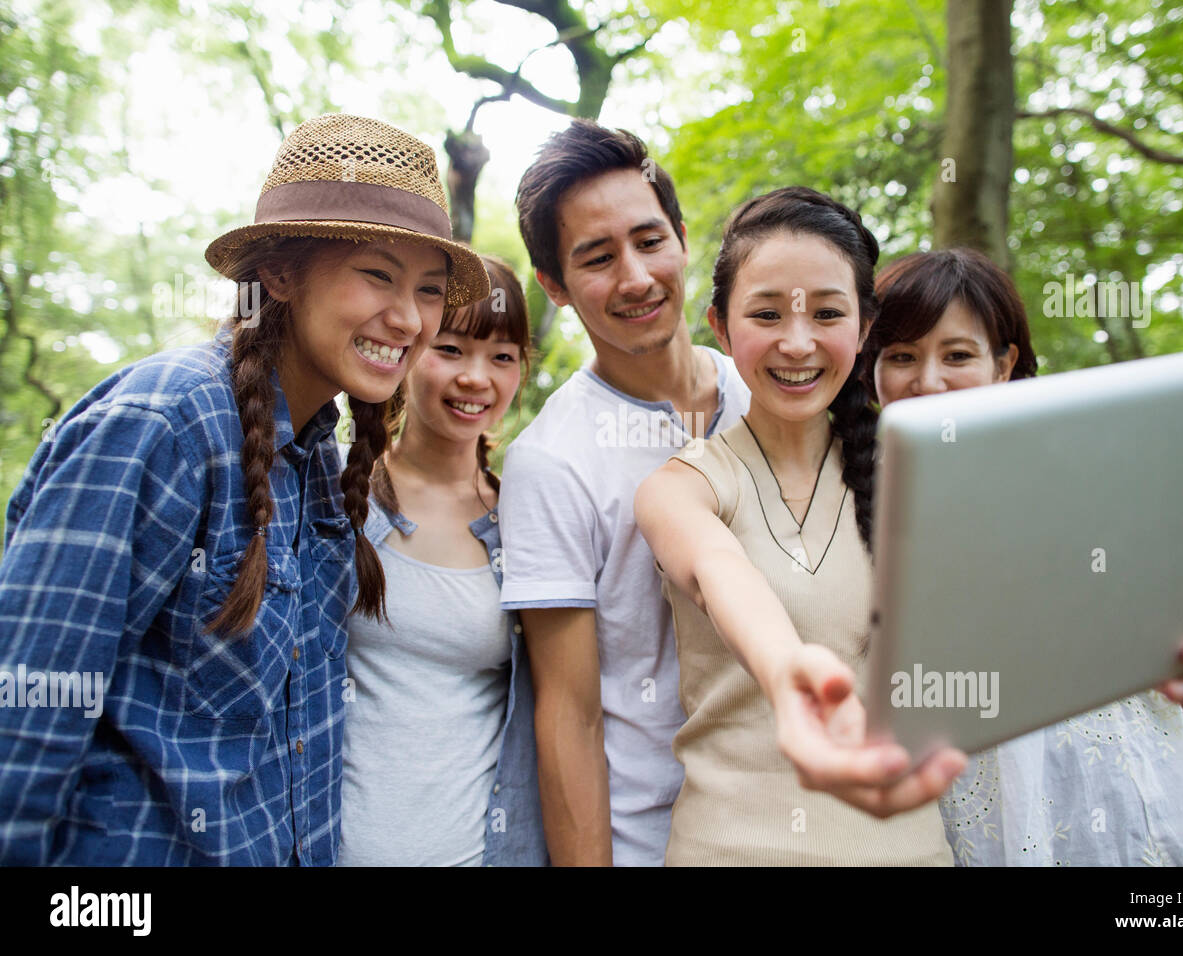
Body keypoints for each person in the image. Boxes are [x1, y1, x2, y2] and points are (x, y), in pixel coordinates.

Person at [0, 113, 489, 865]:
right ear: (281, 275)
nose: (409, 319)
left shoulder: (319, 456)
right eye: (376, 274)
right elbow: (26, 715)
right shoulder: (164, 424)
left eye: (428, 290)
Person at [864, 247, 1183, 865]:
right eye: (901, 357)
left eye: (958, 355)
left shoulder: (1089, 464)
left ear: (1004, 364)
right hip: (967, 818)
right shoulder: (857, 497)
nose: (929, 381)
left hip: (1124, 796)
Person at [636, 187, 964, 864]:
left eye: (826, 313)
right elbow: (720, 572)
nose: (796, 342)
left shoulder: (922, 479)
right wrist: (789, 678)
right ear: (721, 330)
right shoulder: (682, 486)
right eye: (765, 313)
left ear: (865, 327)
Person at [500, 120, 751, 865]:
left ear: (680, 236)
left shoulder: (766, 391)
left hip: (799, 818)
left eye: (649, 241)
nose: (636, 277)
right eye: (597, 258)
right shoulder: (550, 461)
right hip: (657, 842)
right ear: (555, 286)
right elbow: (569, 718)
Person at [339, 255, 547, 866]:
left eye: (502, 357)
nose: (476, 378)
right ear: (411, 346)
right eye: (451, 349)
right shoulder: (336, 494)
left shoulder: (526, 522)